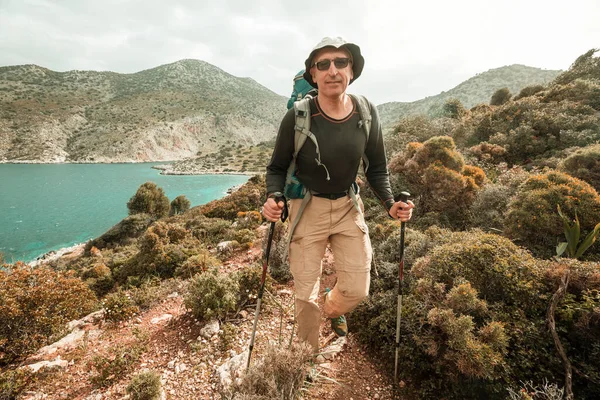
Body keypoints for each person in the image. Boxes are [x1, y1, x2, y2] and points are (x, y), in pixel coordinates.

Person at [263, 36, 414, 352]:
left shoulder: (366, 112)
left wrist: (390, 204)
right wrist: (274, 197)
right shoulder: (298, 116)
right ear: (313, 75)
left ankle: (332, 308)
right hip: (307, 208)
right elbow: (276, 167)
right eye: (323, 64)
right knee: (304, 295)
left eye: (341, 62)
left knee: (357, 289)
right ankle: (306, 357)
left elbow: (377, 168)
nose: (333, 70)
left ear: (352, 71)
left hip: (348, 206)